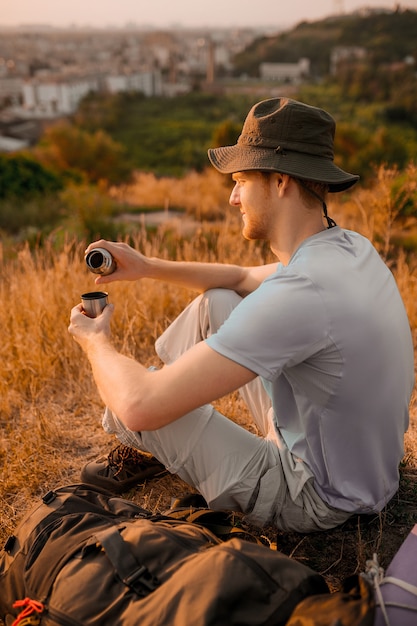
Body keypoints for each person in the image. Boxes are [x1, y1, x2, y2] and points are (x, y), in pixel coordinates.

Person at [69, 97, 414, 533]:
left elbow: (139, 405)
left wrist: (95, 341)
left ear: (280, 181)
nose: (233, 197)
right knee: (219, 299)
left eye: (240, 180)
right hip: (361, 466)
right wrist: (147, 267)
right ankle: (157, 436)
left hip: (319, 497)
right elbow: (239, 276)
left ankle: (152, 438)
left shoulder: (301, 294)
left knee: (130, 402)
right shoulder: (349, 248)